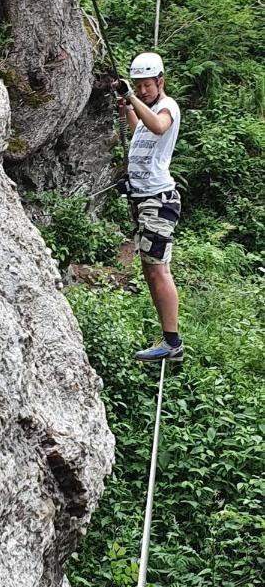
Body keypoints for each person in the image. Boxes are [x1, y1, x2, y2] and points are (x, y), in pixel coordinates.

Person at [116, 52, 183, 362]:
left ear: (160, 82)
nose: (143, 91)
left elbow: (157, 126)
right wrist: (127, 109)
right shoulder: (148, 108)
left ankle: (172, 342)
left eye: (146, 86)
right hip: (144, 200)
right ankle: (168, 338)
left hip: (159, 199)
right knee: (150, 268)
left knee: (157, 270)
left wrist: (131, 97)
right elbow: (140, 132)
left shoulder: (167, 107)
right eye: (138, 86)